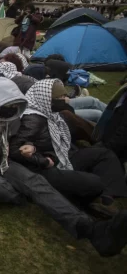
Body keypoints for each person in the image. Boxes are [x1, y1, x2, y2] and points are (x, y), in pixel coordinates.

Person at [0, 76, 127, 257]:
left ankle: (92, 230)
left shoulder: (12, 116)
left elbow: (15, 145)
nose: (10, 111)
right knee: (0, 190)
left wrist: (32, 148)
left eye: (13, 107)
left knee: (36, 182)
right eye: (7, 107)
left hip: (3, 158)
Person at [10, 79, 127, 215]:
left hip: (62, 156)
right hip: (45, 168)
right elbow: (14, 150)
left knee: (104, 154)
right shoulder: (33, 119)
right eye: (59, 97)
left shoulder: (51, 113)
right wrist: (43, 160)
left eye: (64, 96)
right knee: (95, 182)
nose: (65, 99)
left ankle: (108, 197)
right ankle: (88, 199)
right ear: (47, 98)